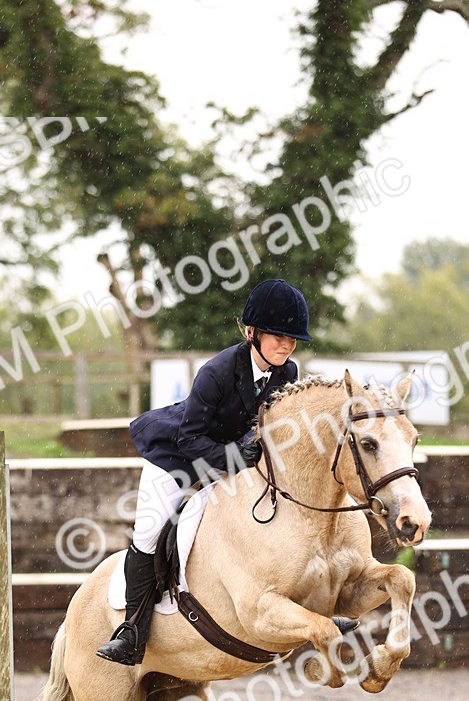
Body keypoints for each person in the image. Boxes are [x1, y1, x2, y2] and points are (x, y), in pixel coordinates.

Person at [96, 278, 312, 665]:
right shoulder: (217, 371)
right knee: (149, 532)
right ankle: (131, 631)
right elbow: (190, 439)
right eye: (278, 336)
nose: (286, 345)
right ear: (252, 333)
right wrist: (235, 456)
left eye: (292, 338)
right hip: (176, 455)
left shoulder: (287, 372)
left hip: (233, 454)